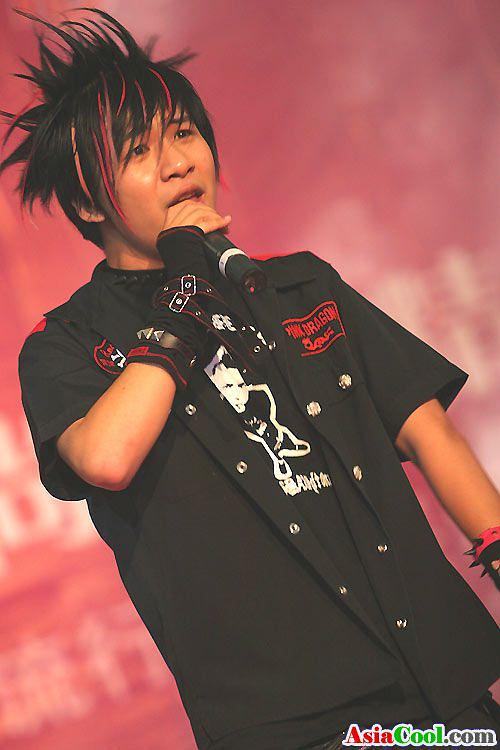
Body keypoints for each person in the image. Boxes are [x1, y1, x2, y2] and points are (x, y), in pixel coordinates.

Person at [2, 8, 499, 750]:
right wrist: (185, 291)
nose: (178, 162)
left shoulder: (300, 286)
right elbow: (107, 458)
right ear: (84, 200)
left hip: (440, 686)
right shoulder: (68, 344)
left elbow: (429, 433)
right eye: (139, 151)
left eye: (184, 134)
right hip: (294, 721)